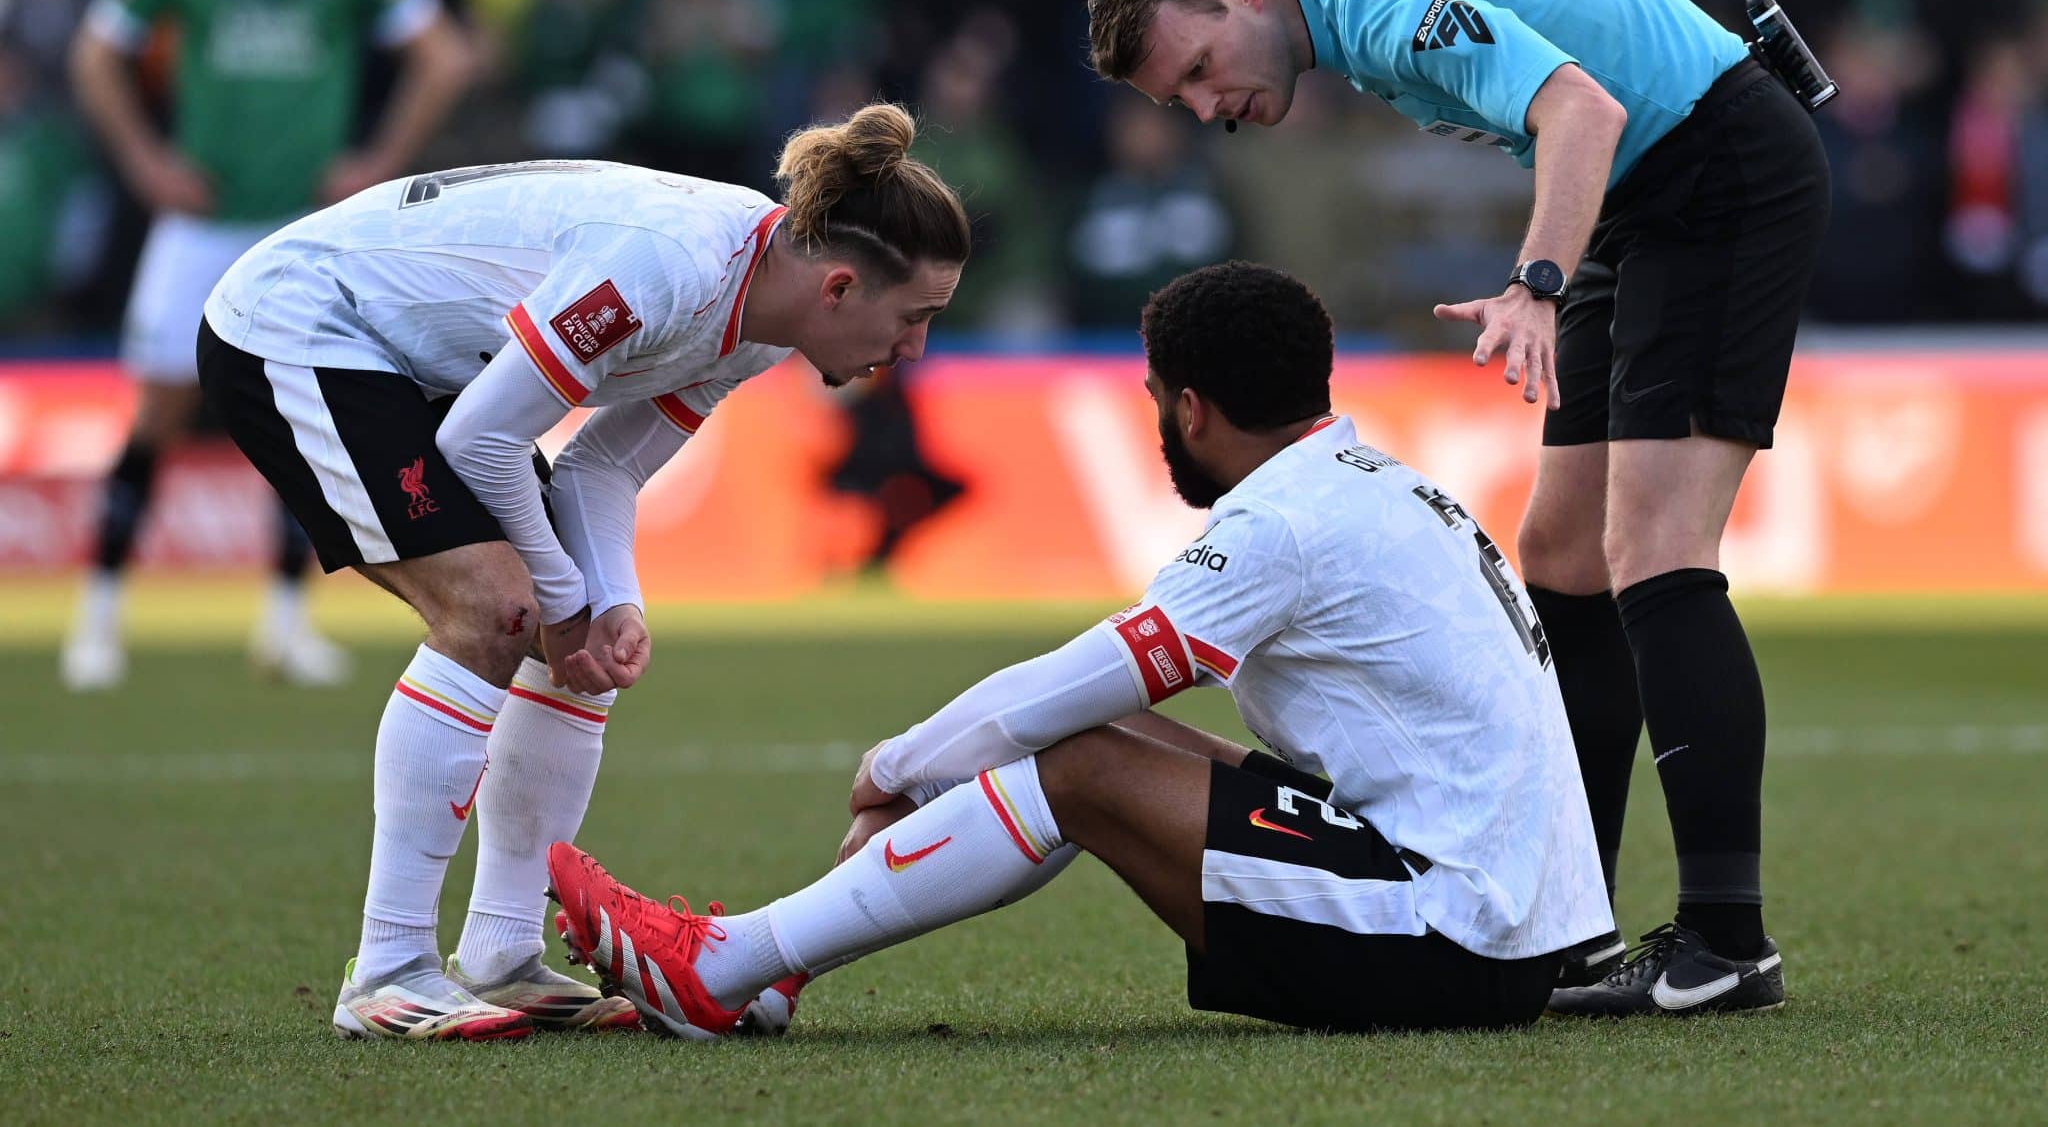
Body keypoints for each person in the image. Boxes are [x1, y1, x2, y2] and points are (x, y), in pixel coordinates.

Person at [1084, 0, 1826, 1015]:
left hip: (1712, 180)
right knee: (1563, 552)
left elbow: (1577, 109)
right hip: (1645, 196)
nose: (1204, 108)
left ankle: (1727, 941)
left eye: (1195, 68)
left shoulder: (1376, 1)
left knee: (1654, 546)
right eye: (1176, 99)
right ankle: (1563, 925)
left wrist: (1536, 286)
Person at [546, 260, 1616, 1039]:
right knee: (1100, 735)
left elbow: (1067, 687)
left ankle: (728, 967)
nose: (1159, 425)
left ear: (1190, 409)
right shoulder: (1382, 485)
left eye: (1158, 403)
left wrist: (897, 763)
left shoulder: (1284, 522)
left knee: (1078, 753)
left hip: (1450, 942)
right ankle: (761, 980)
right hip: (1509, 931)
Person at [194, 103, 971, 1040]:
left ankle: (500, 952)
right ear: (841, 286)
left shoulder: (765, 318)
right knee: (496, 610)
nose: (915, 351)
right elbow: (480, 439)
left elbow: (602, 467)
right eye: (916, 318)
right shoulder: (668, 269)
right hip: (303, 320)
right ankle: (389, 968)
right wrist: (566, 599)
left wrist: (611, 604)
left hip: (427, 369)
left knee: (577, 638)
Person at [62, 0, 472, 691]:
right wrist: (143, 159)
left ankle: (285, 622)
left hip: (303, 236)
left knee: (307, 420)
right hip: (201, 223)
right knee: (159, 413)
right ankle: (97, 616)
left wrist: (378, 160)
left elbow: (442, 54)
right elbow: (95, 51)